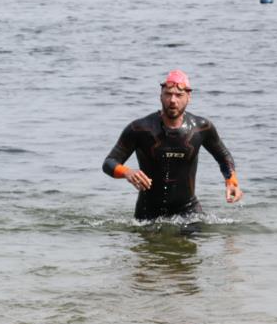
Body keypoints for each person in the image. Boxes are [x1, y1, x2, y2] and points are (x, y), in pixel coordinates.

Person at [102, 70, 242, 220]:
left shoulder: (201, 128)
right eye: (168, 94)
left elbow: (223, 156)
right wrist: (127, 172)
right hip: (148, 211)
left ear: (189, 97)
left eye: (179, 95)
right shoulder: (140, 128)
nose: (173, 100)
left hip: (188, 210)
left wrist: (231, 181)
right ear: (160, 96)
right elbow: (109, 163)